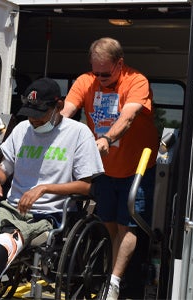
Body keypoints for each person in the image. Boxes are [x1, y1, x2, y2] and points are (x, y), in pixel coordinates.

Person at [0, 77, 104, 299]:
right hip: (12, 207)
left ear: (58, 106)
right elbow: (4, 167)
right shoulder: (23, 129)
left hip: (48, 214)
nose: (33, 120)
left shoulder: (78, 134)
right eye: (29, 113)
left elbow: (86, 187)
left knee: (7, 239)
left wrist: (44, 188)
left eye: (39, 115)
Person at [62, 37, 159, 299]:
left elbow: (127, 117)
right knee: (108, 226)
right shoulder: (86, 81)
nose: (101, 78)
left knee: (127, 226)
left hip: (136, 167)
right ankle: (105, 276)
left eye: (106, 73)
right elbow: (66, 112)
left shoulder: (136, 81)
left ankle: (114, 283)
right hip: (104, 167)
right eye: (97, 72)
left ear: (120, 64)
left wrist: (106, 138)